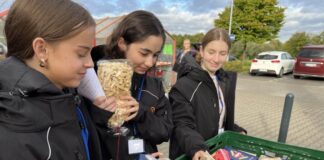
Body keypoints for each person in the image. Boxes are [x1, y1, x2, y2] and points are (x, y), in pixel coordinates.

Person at [0, 0, 105, 159]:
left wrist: (102, 116)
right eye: (81, 53)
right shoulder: (14, 130)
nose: (90, 64)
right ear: (42, 50)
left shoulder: (66, 94)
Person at [82, 10, 173, 160]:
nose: (150, 62)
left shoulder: (154, 86)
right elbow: (85, 136)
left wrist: (141, 114)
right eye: (144, 53)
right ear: (122, 43)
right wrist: (100, 115)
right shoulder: (93, 79)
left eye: (155, 54)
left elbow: (165, 132)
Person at [168, 28, 246, 160]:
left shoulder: (224, 80)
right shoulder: (184, 86)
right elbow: (182, 124)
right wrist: (197, 147)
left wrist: (235, 129)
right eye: (211, 52)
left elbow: (217, 116)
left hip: (217, 152)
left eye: (222, 53)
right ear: (202, 51)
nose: (216, 59)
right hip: (193, 153)